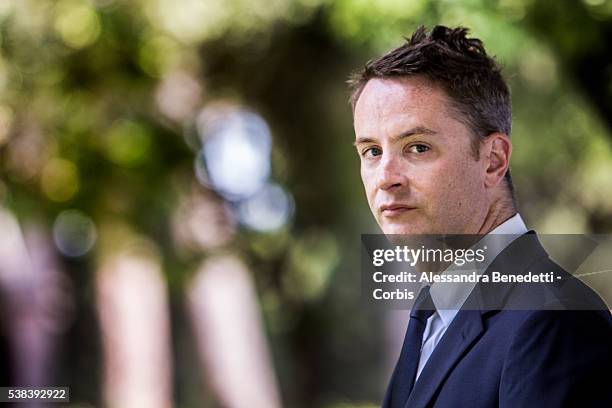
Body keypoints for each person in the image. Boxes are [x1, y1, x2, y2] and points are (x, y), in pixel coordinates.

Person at [349, 25, 612, 408]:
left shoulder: (554, 320)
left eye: (417, 147)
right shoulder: (433, 315)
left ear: (493, 160)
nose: (386, 178)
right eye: (371, 151)